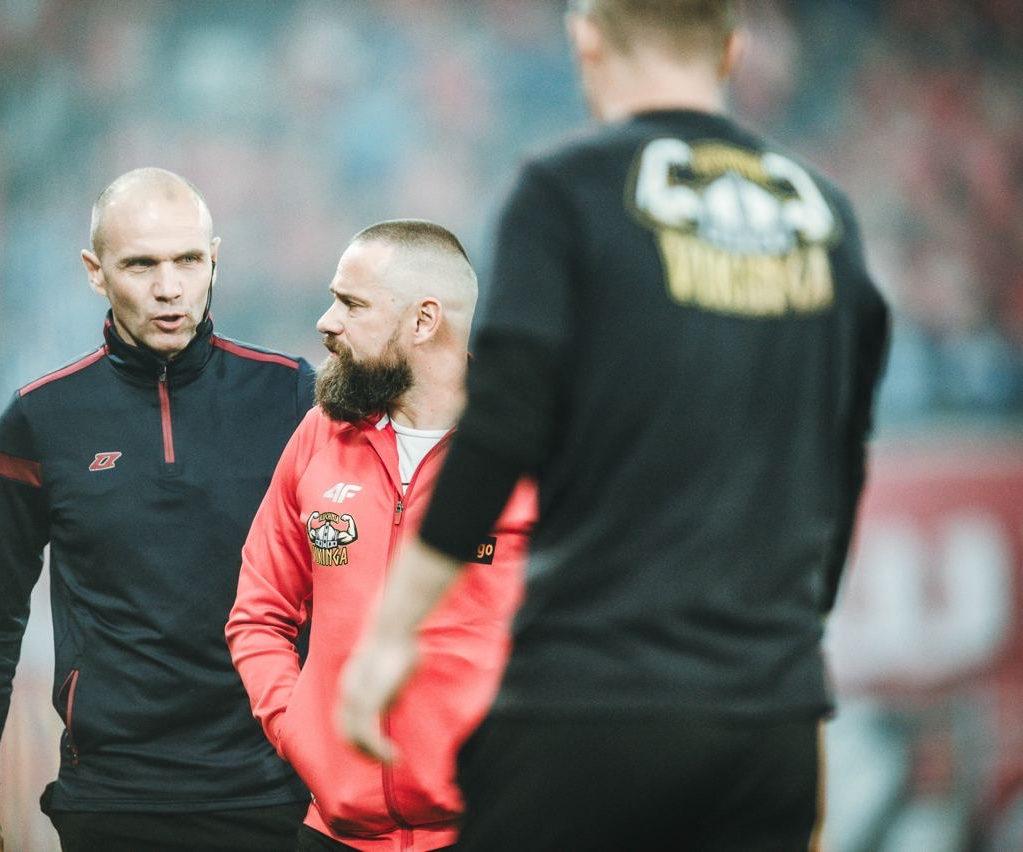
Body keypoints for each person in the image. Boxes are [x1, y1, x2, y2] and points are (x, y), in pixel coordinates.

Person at [339, 2, 891, 850]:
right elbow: (840, 466)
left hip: (595, 704)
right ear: (732, 48)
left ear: (587, 39)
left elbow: (503, 425)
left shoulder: (567, 190)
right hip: (770, 724)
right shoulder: (826, 217)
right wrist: (788, 651)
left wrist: (389, 633)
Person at [0, 168, 314, 852]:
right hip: (111, 799)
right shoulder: (40, 420)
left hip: (275, 792)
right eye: (141, 264)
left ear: (215, 260)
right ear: (96, 272)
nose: (169, 287)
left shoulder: (294, 398)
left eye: (188, 260)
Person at [226, 220, 534, 851]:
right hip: (333, 835)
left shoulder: (528, 448)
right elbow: (259, 612)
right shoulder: (319, 434)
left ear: (424, 321)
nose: (326, 322)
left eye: (353, 304)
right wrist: (297, 729)